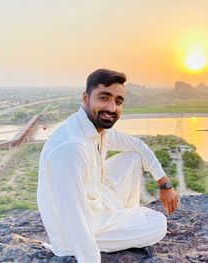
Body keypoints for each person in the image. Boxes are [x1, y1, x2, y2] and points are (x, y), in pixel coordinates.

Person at [37, 69, 179, 263]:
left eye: (118, 101)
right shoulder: (72, 147)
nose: (112, 108)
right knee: (158, 225)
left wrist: (164, 184)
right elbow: (74, 216)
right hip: (73, 235)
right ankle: (122, 221)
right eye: (104, 98)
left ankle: (123, 217)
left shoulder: (97, 130)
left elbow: (138, 146)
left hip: (95, 203)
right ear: (85, 98)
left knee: (132, 157)